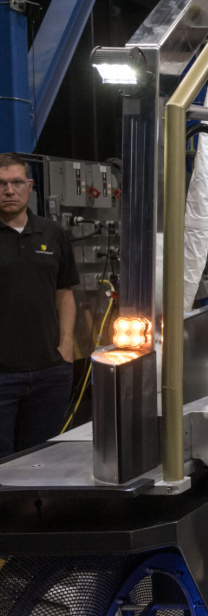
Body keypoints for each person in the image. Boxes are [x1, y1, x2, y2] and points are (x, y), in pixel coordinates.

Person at [0, 153, 78, 458]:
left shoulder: (53, 233)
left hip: (50, 372)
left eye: (17, 182)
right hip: (2, 374)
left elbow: (65, 293)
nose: (9, 190)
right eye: (2, 184)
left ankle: (38, 508)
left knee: (41, 460)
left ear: (30, 185)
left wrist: (67, 344)